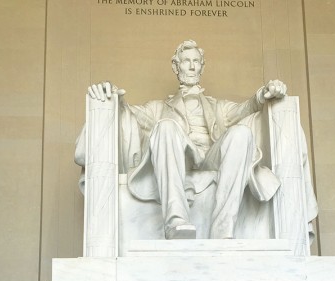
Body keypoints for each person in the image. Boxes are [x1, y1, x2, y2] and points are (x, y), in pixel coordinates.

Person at [77, 40, 318, 242]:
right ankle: (176, 221)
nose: (191, 67)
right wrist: (112, 95)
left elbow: (247, 108)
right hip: (178, 155)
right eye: (186, 61)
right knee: (166, 127)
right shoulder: (158, 108)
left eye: (196, 62)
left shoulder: (219, 107)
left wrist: (264, 92)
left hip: (212, 157)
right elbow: (129, 111)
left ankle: (223, 230)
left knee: (241, 134)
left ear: (202, 67)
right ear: (176, 66)